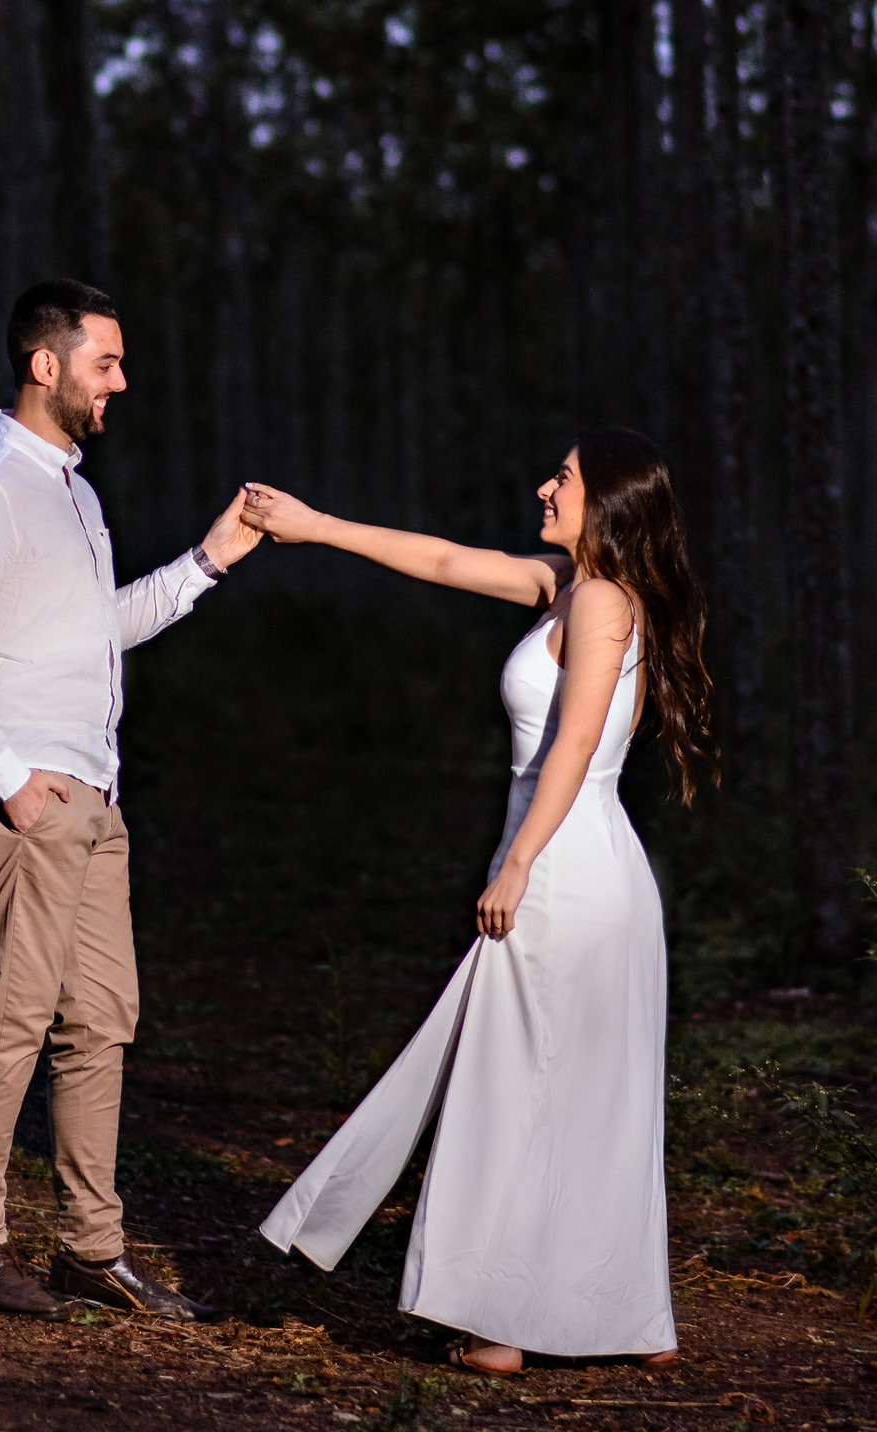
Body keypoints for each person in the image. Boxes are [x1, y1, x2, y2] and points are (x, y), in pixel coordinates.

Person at [241, 429, 715, 1373]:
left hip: (569, 867)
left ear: (610, 503)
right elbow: (449, 560)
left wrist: (517, 864)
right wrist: (317, 526)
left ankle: (501, 1323)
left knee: (517, 1083)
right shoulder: (569, 588)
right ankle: (622, 1318)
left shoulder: (608, 603)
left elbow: (575, 747)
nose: (545, 486)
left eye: (566, 479)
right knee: (571, 1089)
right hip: (572, 863)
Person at [0, 278, 261, 1321]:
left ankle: (90, 1251)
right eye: (105, 361)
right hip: (21, 799)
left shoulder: (70, 489)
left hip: (92, 800)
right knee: (12, 1019)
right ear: (44, 365)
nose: (121, 381)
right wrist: (12, 785)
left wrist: (207, 562)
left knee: (101, 1019)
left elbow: (90, 631)